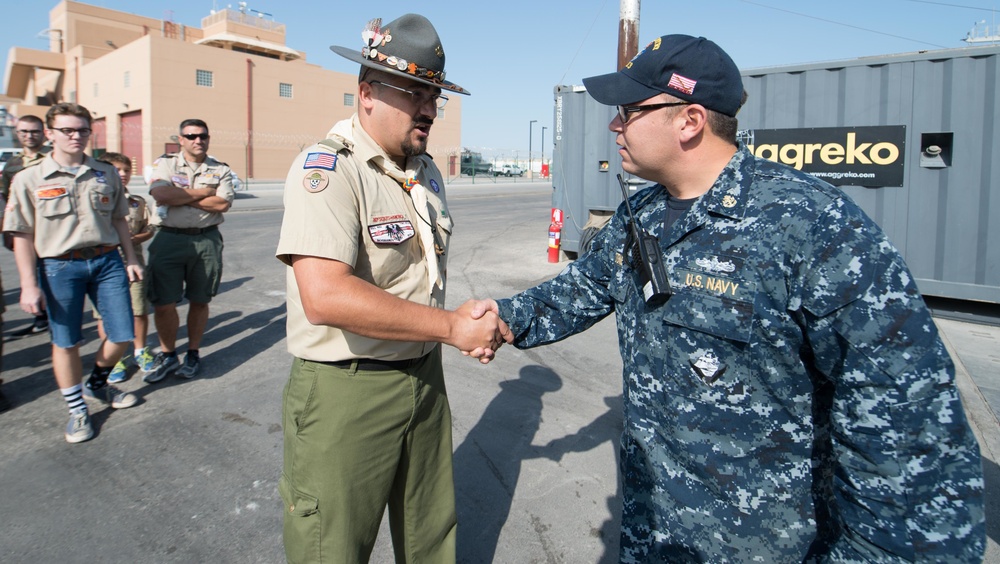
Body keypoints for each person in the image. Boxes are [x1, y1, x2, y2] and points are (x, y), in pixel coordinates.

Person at [470, 35, 985, 561]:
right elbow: (580, 290)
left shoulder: (812, 225)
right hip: (654, 529)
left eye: (628, 111)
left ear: (689, 120)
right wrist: (504, 318)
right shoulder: (639, 215)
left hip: (765, 544)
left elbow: (905, 423)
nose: (613, 125)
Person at [275, 13, 507, 563]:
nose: (429, 109)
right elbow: (325, 295)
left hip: (424, 376)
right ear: (367, 93)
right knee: (332, 546)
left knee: (431, 535)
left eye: (434, 95)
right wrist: (454, 327)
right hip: (346, 389)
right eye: (415, 93)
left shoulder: (424, 171)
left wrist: (450, 332)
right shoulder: (329, 171)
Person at [3, 103, 142, 443]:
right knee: (66, 341)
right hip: (58, 266)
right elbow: (21, 233)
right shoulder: (28, 178)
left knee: (122, 334)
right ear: (50, 133)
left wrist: (131, 257)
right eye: (67, 130)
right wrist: (28, 285)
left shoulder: (104, 172)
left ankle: (97, 383)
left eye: (82, 130)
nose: (76, 136)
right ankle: (77, 409)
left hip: (107, 260)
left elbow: (119, 219)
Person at [143, 119, 234, 383]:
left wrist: (182, 194)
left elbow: (222, 204)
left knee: (200, 299)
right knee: (163, 303)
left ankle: (192, 352)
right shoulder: (166, 164)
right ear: (180, 139)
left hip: (206, 240)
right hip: (168, 239)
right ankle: (168, 353)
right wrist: (203, 192)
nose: (198, 140)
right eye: (191, 136)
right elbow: (161, 194)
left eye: (203, 136)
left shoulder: (220, 169)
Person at [92, 152, 155, 382]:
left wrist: (136, 237)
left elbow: (150, 228)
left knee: (139, 309)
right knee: (104, 314)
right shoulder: (95, 200)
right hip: (105, 264)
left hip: (134, 263)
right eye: (117, 170)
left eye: (126, 170)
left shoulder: (136, 202)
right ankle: (114, 359)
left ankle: (140, 351)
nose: (123, 174)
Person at [1, 114, 51, 337]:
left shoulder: (53, 157)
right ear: (17, 133)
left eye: (35, 131)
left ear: (44, 133)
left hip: (50, 226)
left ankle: (53, 317)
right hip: (25, 227)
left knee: (52, 272)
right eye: (24, 132)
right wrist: (8, 231)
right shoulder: (13, 164)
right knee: (31, 271)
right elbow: (6, 198)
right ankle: (41, 317)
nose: (29, 136)